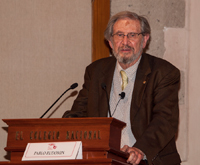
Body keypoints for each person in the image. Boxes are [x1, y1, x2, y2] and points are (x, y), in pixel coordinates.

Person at [63, 11, 181, 165]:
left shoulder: (164, 72)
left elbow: (165, 120)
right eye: (119, 35)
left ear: (144, 40)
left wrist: (140, 149)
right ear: (110, 42)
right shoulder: (96, 72)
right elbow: (77, 116)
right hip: (103, 160)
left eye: (132, 35)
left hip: (147, 160)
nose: (125, 42)